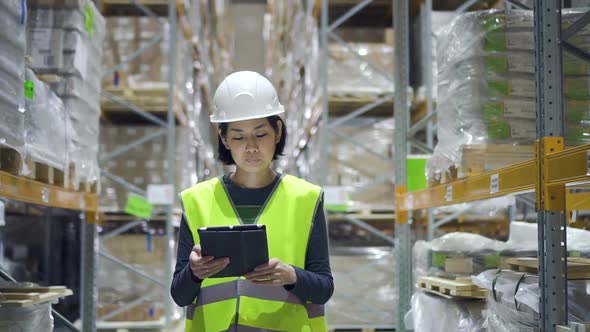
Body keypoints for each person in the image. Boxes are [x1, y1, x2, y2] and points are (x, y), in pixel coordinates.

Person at [171, 71, 334, 331]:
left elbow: (324, 289)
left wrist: (291, 276)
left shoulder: (306, 199)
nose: (251, 147)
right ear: (224, 138)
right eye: (238, 136)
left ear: (277, 131)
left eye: (260, 134)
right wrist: (194, 273)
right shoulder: (197, 201)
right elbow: (179, 295)